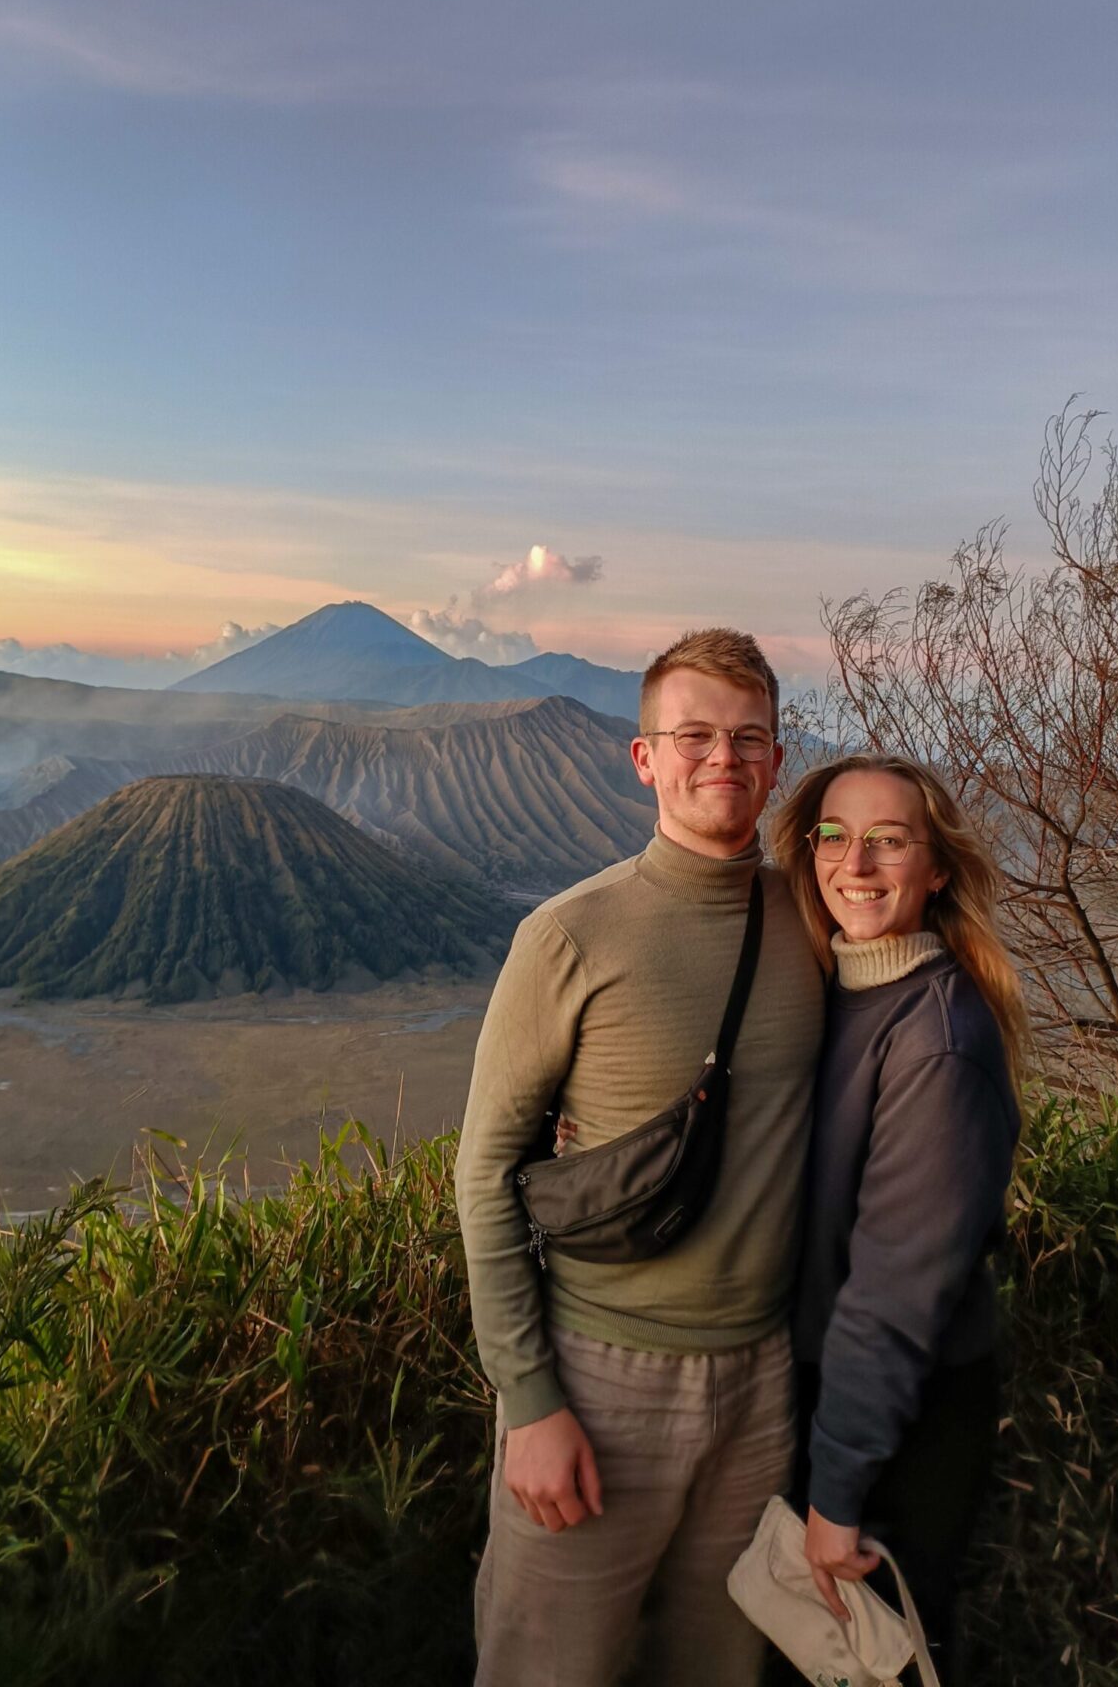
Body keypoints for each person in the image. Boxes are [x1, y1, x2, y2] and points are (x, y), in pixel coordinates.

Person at [455, 628, 826, 1687]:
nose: (723, 757)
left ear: (775, 758)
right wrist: (528, 1403)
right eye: (694, 734)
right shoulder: (571, 937)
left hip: (761, 1384)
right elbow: (484, 1174)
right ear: (645, 758)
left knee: (720, 1665)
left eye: (747, 737)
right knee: (549, 1667)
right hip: (597, 1377)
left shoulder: (812, 919)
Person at [771, 753, 1025, 1681]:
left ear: (938, 868)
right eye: (835, 836)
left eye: (889, 840)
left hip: (895, 1426)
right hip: (831, 1398)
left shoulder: (937, 1040)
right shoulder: (827, 992)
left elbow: (892, 1298)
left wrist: (837, 1494)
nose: (858, 863)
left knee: (881, 1660)